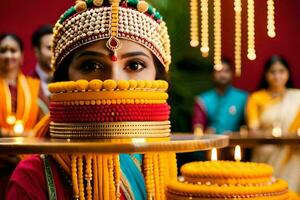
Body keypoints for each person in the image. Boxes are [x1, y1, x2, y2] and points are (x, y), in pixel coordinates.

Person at [6, 0, 172, 199]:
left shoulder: (162, 160)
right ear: (64, 77)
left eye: (135, 65)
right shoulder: (34, 176)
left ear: (158, 77)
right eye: (91, 65)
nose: (114, 81)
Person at [246, 55, 300, 192]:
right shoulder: (256, 98)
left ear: (288, 73)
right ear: (266, 74)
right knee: (264, 192)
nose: (277, 76)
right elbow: (253, 130)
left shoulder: (297, 97)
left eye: (281, 71)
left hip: (292, 153)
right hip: (265, 152)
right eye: (272, 72)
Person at [0, 33, 43, 198]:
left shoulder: (33, 86)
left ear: (21, 56)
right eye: (3, 50)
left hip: (26, 162)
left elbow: (42, 122)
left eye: (13, 50)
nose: (8, 55)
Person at [192, 59, 248, 135]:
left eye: (226, 71)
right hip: (212, 142)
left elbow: (248, 125)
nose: (222, 75)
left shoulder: (243, 98)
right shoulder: (203, 100)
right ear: (212, 74)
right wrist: (200, 133)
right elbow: (198, 125)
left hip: (236, 143)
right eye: (219, 71)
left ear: (232, 74)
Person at [31, 24, 53, 107]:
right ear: (37, 51)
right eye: (49, 48)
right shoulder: (26, 84)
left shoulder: (69, 79)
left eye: (57, 47)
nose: (55, 53)